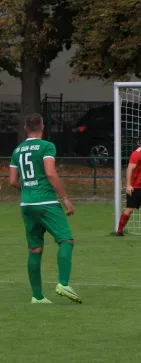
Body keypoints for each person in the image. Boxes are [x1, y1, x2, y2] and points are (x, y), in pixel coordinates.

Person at [8, 113, 82, 304]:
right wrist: (65, 198)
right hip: (45, 202)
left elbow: (13, 181)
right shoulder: (46, 146)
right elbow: (50, 172)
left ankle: (37, 297)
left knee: (34, 249)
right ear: (42, 127)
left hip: (27, 204)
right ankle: (63, 283)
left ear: (25, 128)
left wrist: (29, 189)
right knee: (66, 240)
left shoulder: (17, 151)